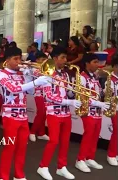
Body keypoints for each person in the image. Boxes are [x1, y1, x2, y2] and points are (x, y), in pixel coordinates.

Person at [0, 47, 50, 180]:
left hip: (23, 116)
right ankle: (2, 176)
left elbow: (29, 92)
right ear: (7, 60)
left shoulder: (20, 73)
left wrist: (27, 77)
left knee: (22, 148)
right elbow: (13, 89)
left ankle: (19, 175)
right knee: (10, 148)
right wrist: (35, 82)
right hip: (10, 117)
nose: (19, 61)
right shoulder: (1, 74)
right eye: (15, 59)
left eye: (20, 58)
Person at [37, 46, 82, 180]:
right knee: (54, 141)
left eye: (65, 57)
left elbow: (66, 92)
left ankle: (61, 167)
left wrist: (73, 91)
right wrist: (69, 102)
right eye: (62, 57)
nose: (65, 60)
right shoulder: (47, 73)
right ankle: (43, 166)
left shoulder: (65, 74)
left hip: (66, 113)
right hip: (53, 112)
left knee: (65, 141)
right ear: (55, 58)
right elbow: (49, 96)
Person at [74, 53, 111, 173]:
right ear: (87, 63)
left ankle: (90, 157)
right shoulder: (82, 77)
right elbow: (82, 96)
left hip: (97, 111)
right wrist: (98, 103)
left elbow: (98, 92)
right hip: (88, 111)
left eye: (98, 62)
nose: (98, 65)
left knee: (95, 135)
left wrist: (106, 91)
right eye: (95, 62)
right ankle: (80, 160)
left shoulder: (95, 77)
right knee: (88, 135)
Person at [29, 52, 50, 142]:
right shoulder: (34, 69)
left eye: (45, 60)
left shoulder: (46, 68)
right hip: (38, 94)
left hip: (46, 93)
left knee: (44, 113)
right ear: (37, 60)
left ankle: (41, 133)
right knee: (41, 113)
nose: (43, 62)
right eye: (41, 60)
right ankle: (32, 132)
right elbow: (41, 75)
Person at [107, 53, 118, 166]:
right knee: (116, 131)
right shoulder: (110, 80)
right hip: (115, 109)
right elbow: (109, 96)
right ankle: (111, 154)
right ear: (114, 67)